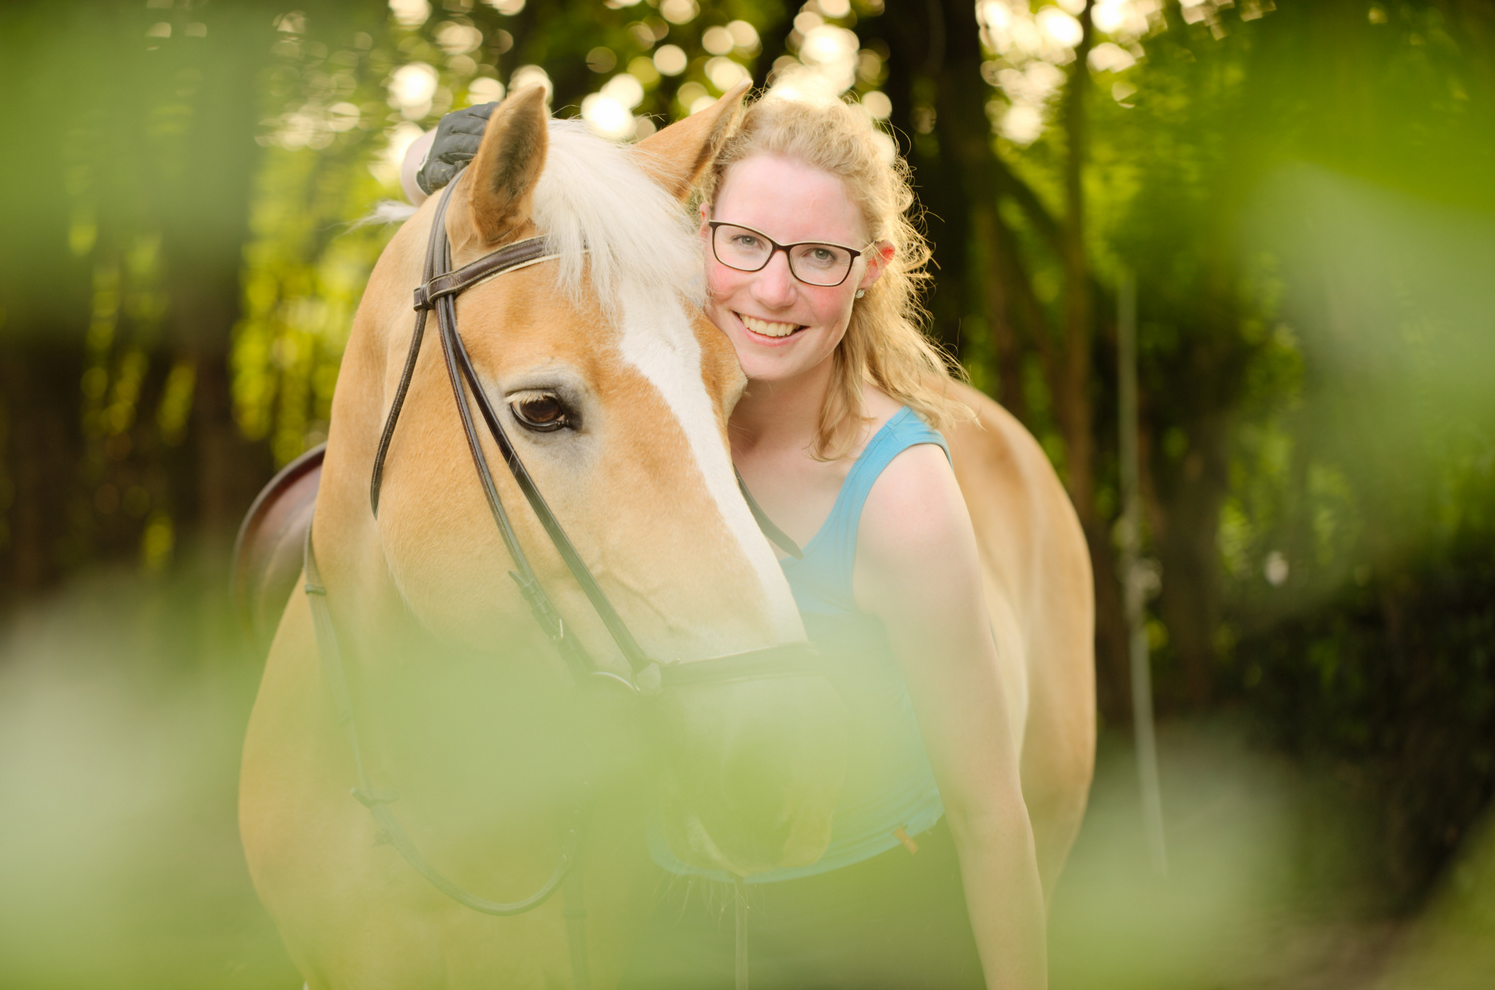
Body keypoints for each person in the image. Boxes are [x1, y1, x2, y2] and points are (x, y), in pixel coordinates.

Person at [410, 88, 1046, 989]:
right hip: (679, 923)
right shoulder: (655, 418)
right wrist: (429, 168)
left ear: (872, 268)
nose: (772, 289)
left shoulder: (903, 496)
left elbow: (990, 814)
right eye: (745, 241)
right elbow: (542, 219)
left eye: (820, 256)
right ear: (699, 233)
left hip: (869, 928)